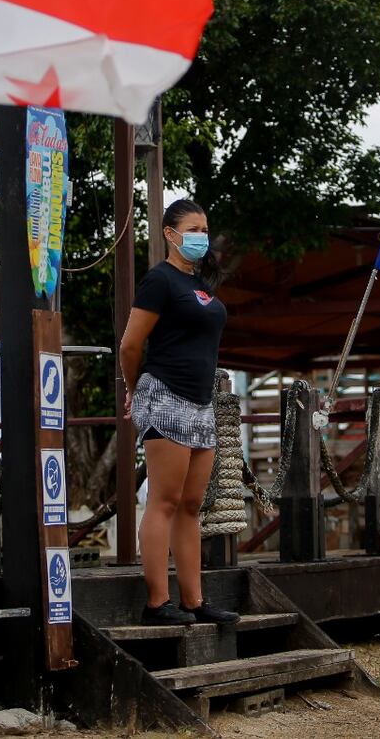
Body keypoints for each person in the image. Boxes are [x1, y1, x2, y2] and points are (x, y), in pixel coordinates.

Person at [119, 199, 239, 627]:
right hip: (165, 395)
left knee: (192, 505)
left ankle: (194, 600)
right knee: (164, 501)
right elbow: (131, 345)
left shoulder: (202, 284)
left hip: (201, 403)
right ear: (170, 234)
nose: (200, 237)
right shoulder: (160, 280)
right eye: (192, 229)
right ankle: (156, 603)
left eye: (204, 228)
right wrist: (135, 391)